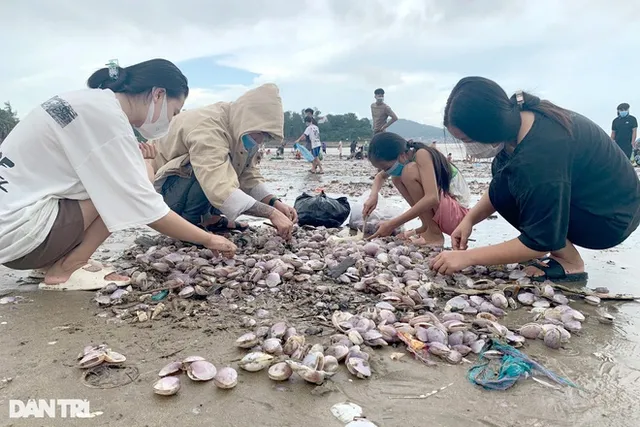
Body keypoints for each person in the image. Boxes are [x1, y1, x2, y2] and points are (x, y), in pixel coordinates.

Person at [0, 59, 236, 289]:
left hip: (13, 231)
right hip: (23, 237)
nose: (172, 120)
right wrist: (208, 239)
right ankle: (69, 266)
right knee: (126, 189)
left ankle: (51, 262)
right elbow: (144, 205)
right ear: (158, 95)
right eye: (175, 112)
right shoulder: (109, 120)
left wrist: (143, 162)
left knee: (125, 182)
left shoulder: (89, 103)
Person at [431, 76, 640, 282]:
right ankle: (554, 248)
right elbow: (500, 189)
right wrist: (468, 219)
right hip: (600, 201)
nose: (470, 147)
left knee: (525, 205)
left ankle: (569, 263)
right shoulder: (521, 121)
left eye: (467, 140)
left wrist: (466, 258)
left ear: (489, 128)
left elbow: (538, 239)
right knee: (505, 182)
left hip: (609, 220)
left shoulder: (539, 156)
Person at [150, 84, 297, 240]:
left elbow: (247, 175)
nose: (260, 140)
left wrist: (275, 203)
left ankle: (209, 218)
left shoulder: (243, 131)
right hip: (164, 193)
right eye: (260, 133)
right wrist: (271, 214)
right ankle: (191, 223)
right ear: (247, 118)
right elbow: (219, 187)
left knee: (229, 170)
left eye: (266, 136)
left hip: (185, 188)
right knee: (204, 169)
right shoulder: (208, 128)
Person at [364, 132, 470, 246]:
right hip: (446, 211)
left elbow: (432, 198)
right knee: (396, 178)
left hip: (458, 217)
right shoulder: (408, 157)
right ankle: (427, 227)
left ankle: (434, 235)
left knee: (407, 172)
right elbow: (380, 177)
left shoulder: (422, 154)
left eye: (386, 168)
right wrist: (373, 196)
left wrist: (392, 224)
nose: (386, 171)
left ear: (402, 155)